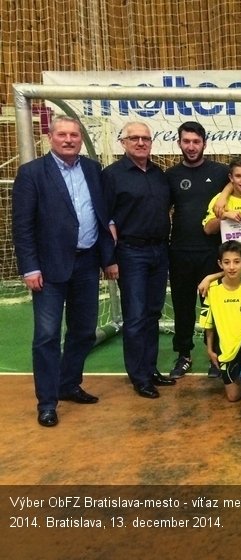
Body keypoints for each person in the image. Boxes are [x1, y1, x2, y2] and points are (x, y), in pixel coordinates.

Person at [12, 115, 118, 427]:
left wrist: (107, 258)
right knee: (46, 336)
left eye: (74, 134)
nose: (69, 139)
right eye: (62, 134)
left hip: (86, 264)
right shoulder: (32, 173)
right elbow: (23, 226)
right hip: (48, 267)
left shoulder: (92, 169)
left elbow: (101, 216)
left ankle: (69, 383)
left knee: (84, 331)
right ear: (50, 137)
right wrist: (29, 266)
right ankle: (47, 402)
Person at [103, 121, 176, 398]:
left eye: (145, 138)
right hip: (131, 252)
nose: (141, 142)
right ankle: (139, 377)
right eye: (134, 138)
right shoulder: (112, 175)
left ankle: (150, 369)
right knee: (134, 316)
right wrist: (110, 258)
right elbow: (104, 219)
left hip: (160, 251)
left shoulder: (159, 174)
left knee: (152, 314)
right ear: (123, 142)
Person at [165, 121, 230, 379]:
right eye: (186, 141)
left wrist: (225, 194)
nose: (191, 147)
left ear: (204, 142)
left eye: (196, 141)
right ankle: (184, 354)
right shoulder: (170, 176)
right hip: (179, 251)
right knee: (182, 306)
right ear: (179, 143)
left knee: (212, 307)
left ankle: (215, 356)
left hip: (211, 252)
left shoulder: (220, 172)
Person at [198, 241, 241, 421]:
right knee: (233, 397)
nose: (232, 266)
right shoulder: (212, 289)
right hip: (228, 347)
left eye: (237, 262)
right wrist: (210, 349)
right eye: (227, 262)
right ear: (220, 264)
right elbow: (208, 324)